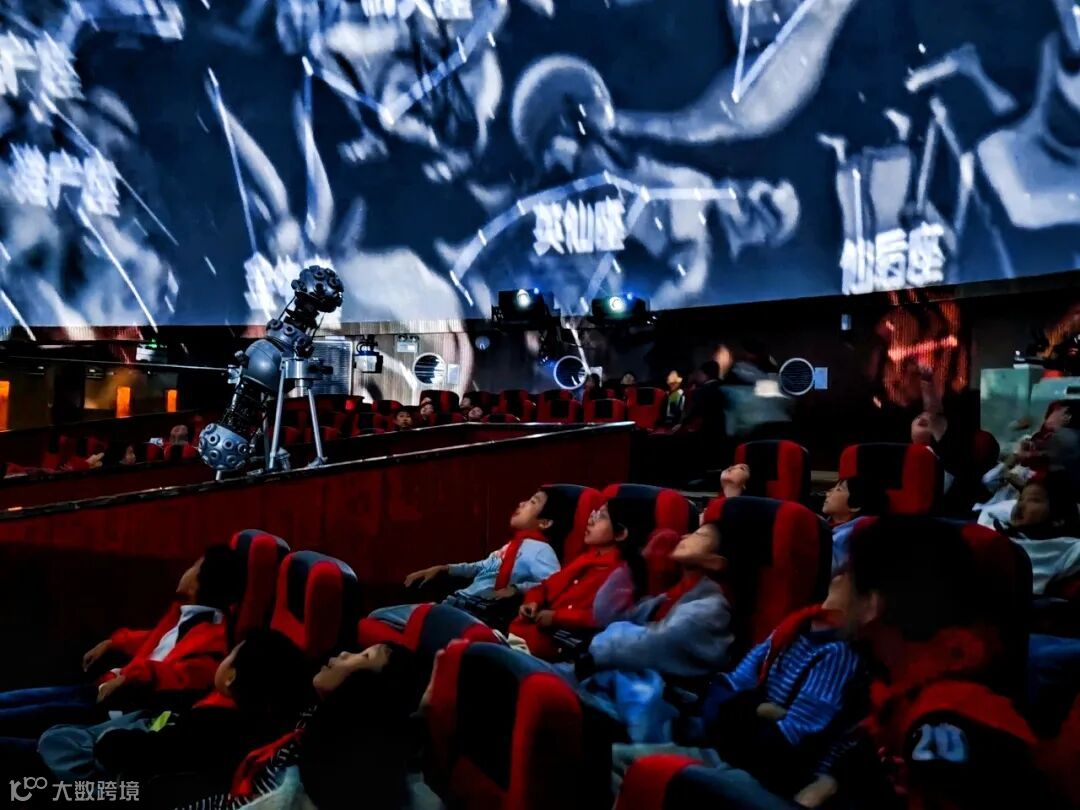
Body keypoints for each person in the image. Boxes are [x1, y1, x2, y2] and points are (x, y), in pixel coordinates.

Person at [610, 573, 864, 807]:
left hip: (764, 777)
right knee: (617, 757)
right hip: (728, 749)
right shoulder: (794, 628)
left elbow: (783, 747)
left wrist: (739, 713)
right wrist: (756, 711)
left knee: (648, 769)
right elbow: (724, 689)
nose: (841, 575)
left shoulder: (838, 655)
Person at [0, 544, 242, 744]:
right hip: (103, 686)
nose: (186, 570)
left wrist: (129, 677)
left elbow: (183, 676)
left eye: (194, 566)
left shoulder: (215, 637)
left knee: (26, 715)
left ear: (199, 582)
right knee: (14, 699)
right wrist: (113, 642)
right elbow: (158, 641)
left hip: (117, 706)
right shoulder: (182, 613)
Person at [39, 629, 310, 793]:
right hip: (149, 738)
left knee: (54, 742)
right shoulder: (259, 724)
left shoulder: (214, 725)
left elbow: (146, 752)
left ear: (231, 677)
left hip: (132, 775)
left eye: (231, 655)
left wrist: (107, 742)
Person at [368, 487, 570, 632]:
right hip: (458, 603)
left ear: (545, 523)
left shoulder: (541, 550)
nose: (522, 503)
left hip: (476, 612)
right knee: (379, 617)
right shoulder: (511, 546)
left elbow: (554, 584)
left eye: (533, 502)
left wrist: (517, 589)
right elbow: (479, 567)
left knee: (379, 617)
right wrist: (444, 568)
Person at [509, 498, 636, 661]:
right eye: (594, 513)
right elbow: (546, 586)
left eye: (602, 516)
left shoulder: (620, 575)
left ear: (621, 533)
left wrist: (556, 617)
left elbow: (602, 618)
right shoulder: (586, 558)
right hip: (527, 638)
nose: (591, 520)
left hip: (557, 652)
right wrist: (532, 602)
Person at [982, 474, 1080, 596]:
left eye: (1034, 500)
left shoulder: (1066, 547)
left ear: (1059, 517)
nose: (1020, 505)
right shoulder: (1000, 528)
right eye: (1020, 499)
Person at [822, 477, 888, 574]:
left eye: (839, 489)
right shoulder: (823, 524)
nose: (828, 492)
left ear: (855, 505)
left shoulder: (849, 536)